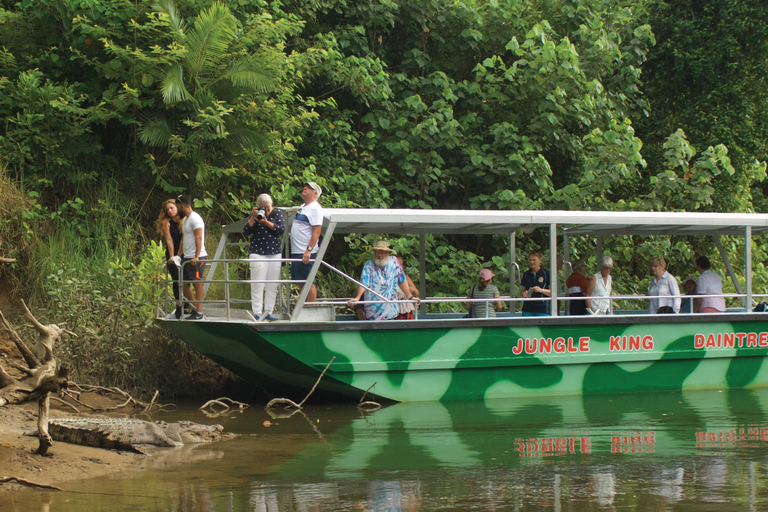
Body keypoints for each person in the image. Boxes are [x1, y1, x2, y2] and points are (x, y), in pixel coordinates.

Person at [348, 241, 419, 320]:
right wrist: (357, 298)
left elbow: (401, 281)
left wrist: (410, 297)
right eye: (378, 252)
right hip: (372, 313)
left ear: (387, 253)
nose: (380, 255)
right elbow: (364, 283)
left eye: (382, 252)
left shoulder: (394, 262)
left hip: (391, 312)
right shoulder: (369, 265)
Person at [243, 193, 285, 322]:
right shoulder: (255, 215)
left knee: (272, 284)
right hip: (257, 252)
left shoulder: (277, 213)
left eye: (268, 207)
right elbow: (246, 231)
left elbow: (281, 229)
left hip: (274, 252)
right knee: (257, 283)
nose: (266, 210)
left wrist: (266, 222)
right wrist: (253, 217)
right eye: (263, 207)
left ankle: (268, 312)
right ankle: (257, 312)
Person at [290, 182, 323, 304]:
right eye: (305, 186)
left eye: (309, 188)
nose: (305, 188)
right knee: (301, 281)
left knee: (308, 281)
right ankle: (304, 307)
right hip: (297, 251)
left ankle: (312, 309)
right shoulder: (304, 206)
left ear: (315, 193)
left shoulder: (315, 208)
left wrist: (308, 250)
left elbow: (317, 231)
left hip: (306, 252)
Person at [176, 194, 207, 320]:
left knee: (196, 283)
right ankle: (196, 308)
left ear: (182, 206)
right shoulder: (186, 220)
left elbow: (199, 237)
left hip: (197, 256)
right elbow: (184, 239)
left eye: (177, 206)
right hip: (186, 256)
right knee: (183, 284)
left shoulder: (195, 218)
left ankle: (199, 312)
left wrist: (196, 256)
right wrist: (177, 256)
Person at [156, 199, 185, 319]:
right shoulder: (166, 222)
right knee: (176, 279)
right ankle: (179, 305)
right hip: (172, 252)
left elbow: (184, 238)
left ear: (177, 207)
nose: (170, 211)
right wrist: (173, 257)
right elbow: (169, 240)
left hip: (184, 251)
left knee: (186, 280)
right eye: (167, 209)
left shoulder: (184, 219)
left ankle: (187, 305)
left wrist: (179, 255)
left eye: (172, 208)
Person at [520, 251, 550, 316]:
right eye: (530, 260)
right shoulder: (526, 274)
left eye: (534, 260)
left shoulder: (546, 273)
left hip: (542, 309)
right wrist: (524, 293)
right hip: (527, 309)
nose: (532, 262)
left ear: (540, 260)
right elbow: (522, 290)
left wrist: (541, 290)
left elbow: (553, 292)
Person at [395, 255, 419, 320]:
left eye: (401, 265)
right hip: (395, 308)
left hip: (406, 307)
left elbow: (417, 292)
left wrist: (413, 291)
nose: (400, 267)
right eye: (398, 265)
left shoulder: (406, 277)